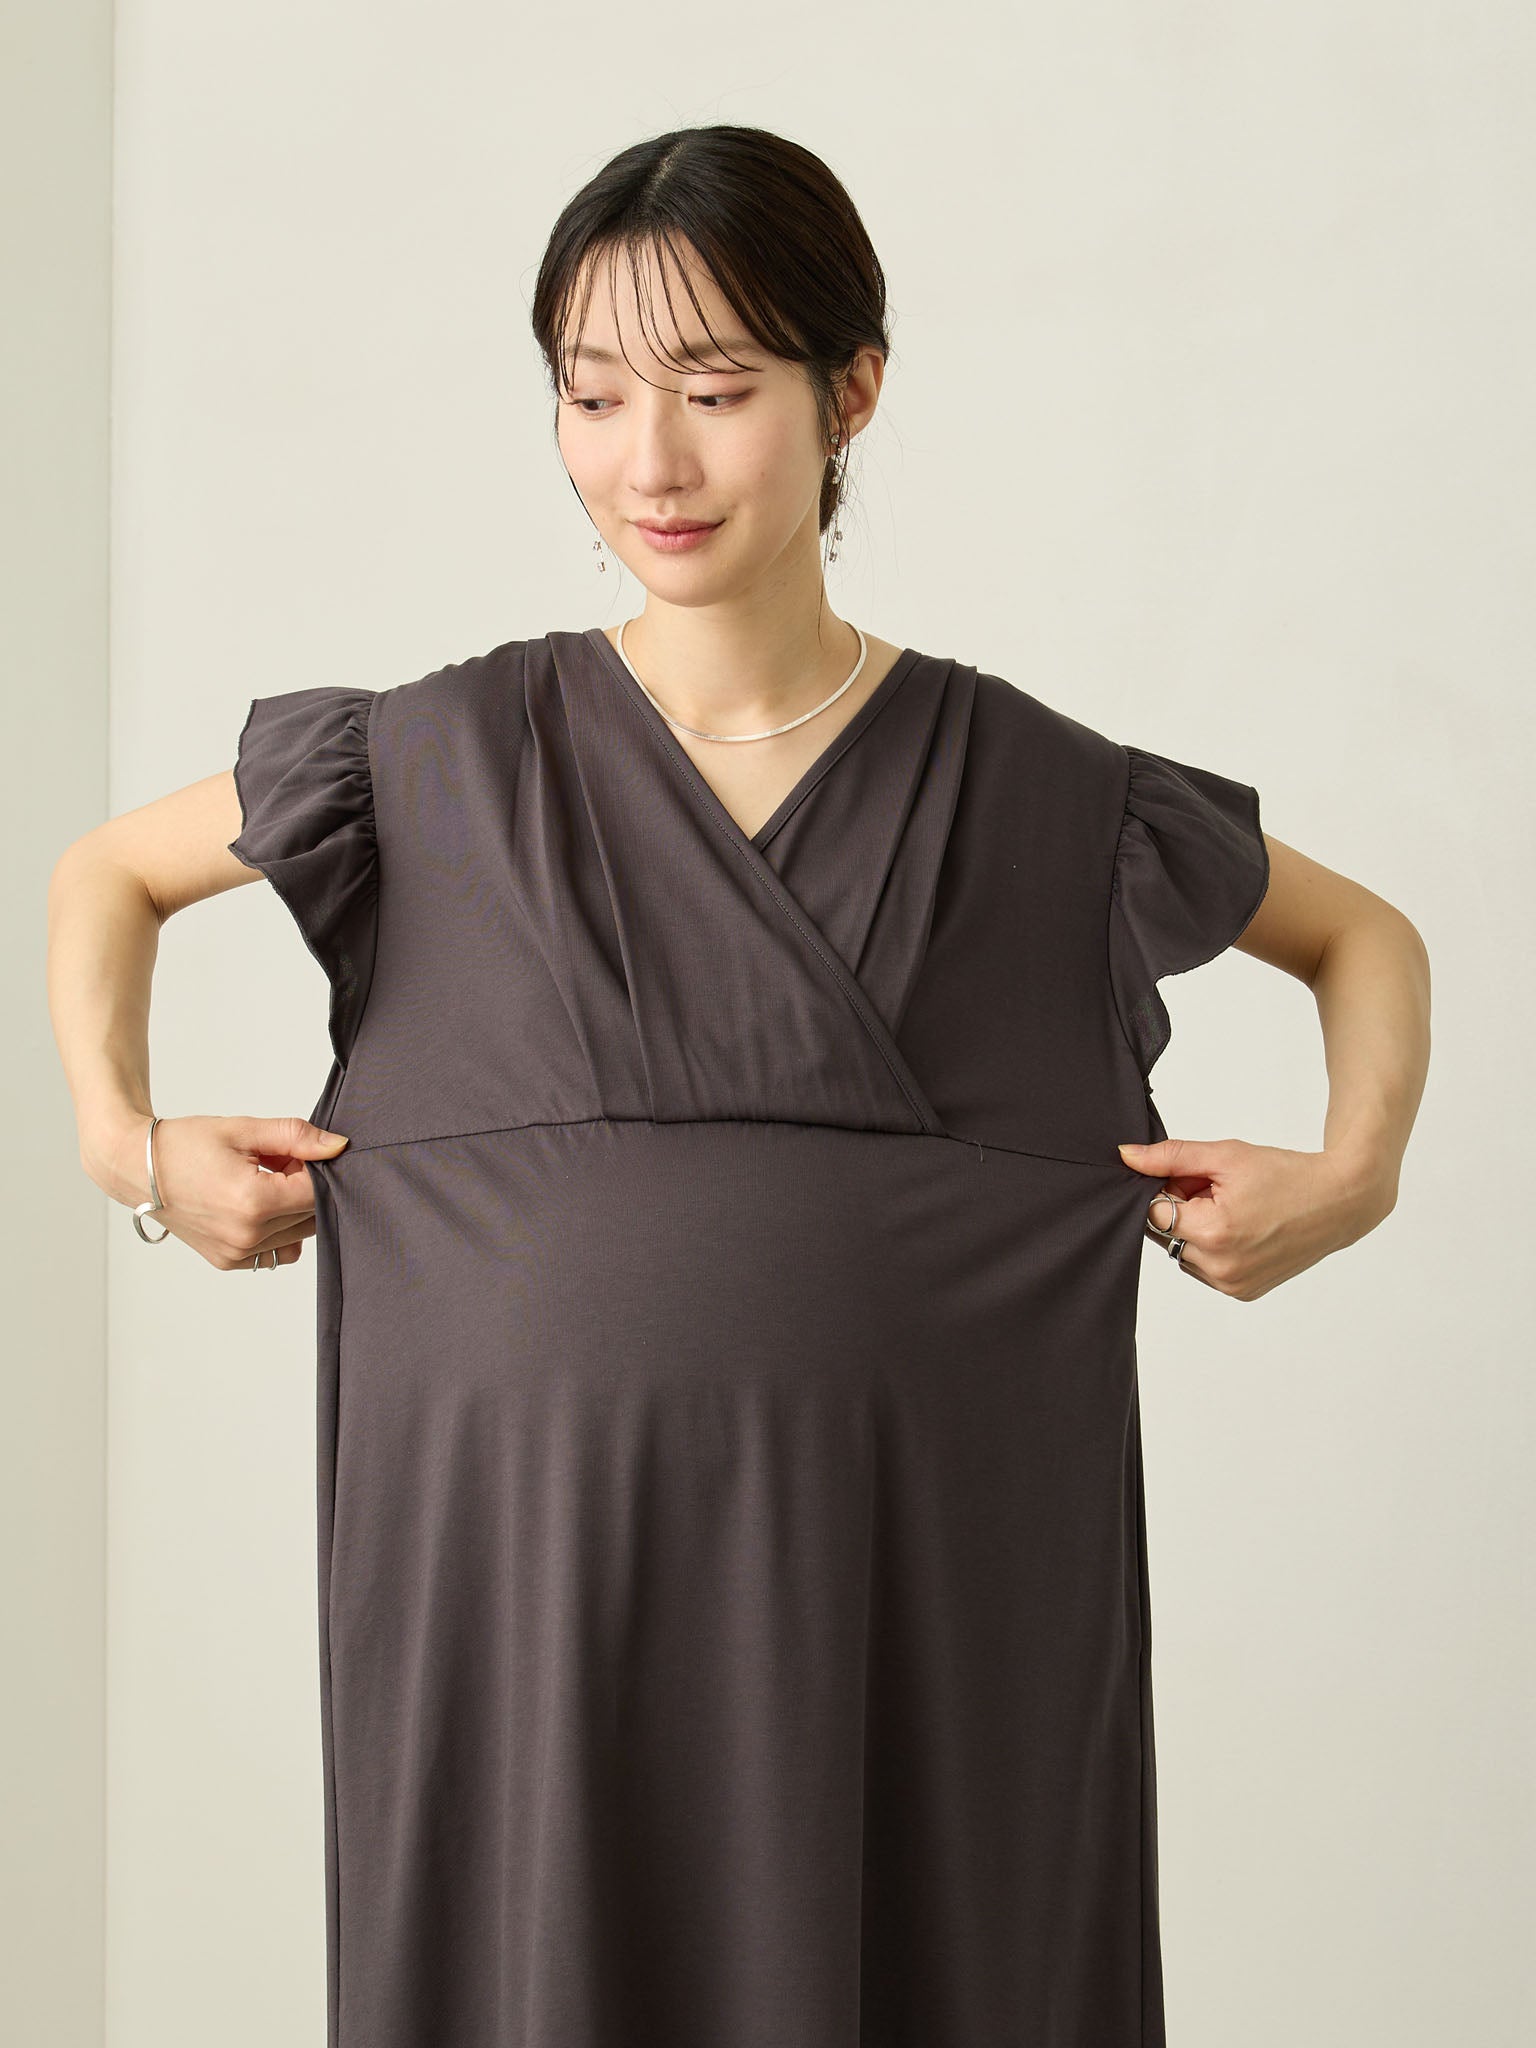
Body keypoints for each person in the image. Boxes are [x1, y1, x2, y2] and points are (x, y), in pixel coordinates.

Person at [48, 123, 1429, 2048]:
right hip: (520, 1618)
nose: (651, 464)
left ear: (851, 391)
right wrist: (131, 1150)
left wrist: (1353, 1176)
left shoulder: (1043, 798)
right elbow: (104, 874)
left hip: (933, 1630)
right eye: (594, 396)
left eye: (714, 393)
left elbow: (1367, 938)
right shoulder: (430, 765)